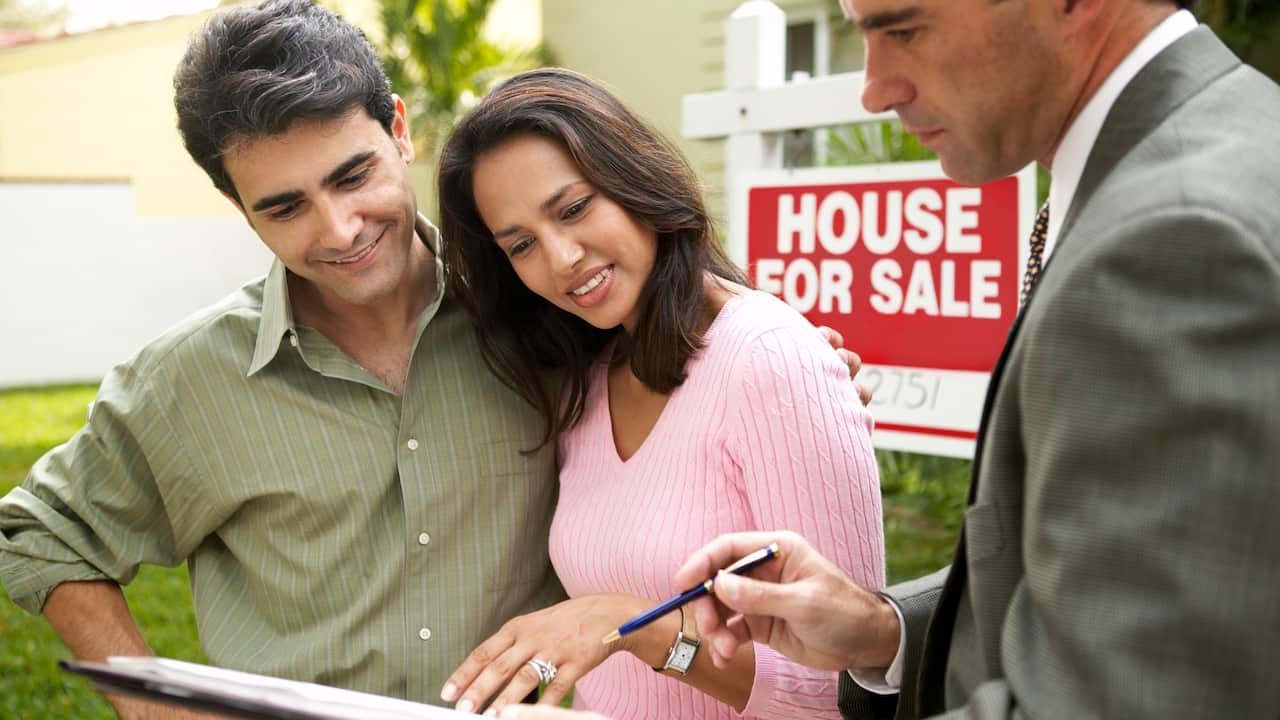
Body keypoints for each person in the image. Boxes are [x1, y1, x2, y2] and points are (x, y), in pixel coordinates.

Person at [0, 4, 866, 718]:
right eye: (285, 205)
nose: (339, 229)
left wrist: (795, 375)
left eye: (352, 175)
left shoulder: (537, 316)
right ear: (238, 207)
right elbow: (39, 532)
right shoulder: (187, 379)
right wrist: (151, 701)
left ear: (399, 130)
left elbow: (690, 351)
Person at [668, 0, 1280, 719]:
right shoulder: (1206, 145)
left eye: (902, 30)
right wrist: (882, 629)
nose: (874, 88)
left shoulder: (1173, 236)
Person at [431, 68, 886, 720]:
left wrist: (632, 626)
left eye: (574, 208)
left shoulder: (771, 360)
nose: (561, 258)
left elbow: (847, 687)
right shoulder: (587, 376)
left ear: (633, 179)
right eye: (522, 245)